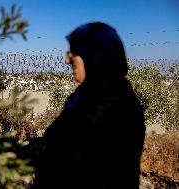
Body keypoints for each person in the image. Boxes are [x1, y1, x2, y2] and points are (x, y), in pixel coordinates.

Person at [32, 22, 146, 189]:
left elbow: (74, 163)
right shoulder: (87, 96)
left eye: (72, 53)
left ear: (94, 56)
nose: (66, 60)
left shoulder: (112, 107)